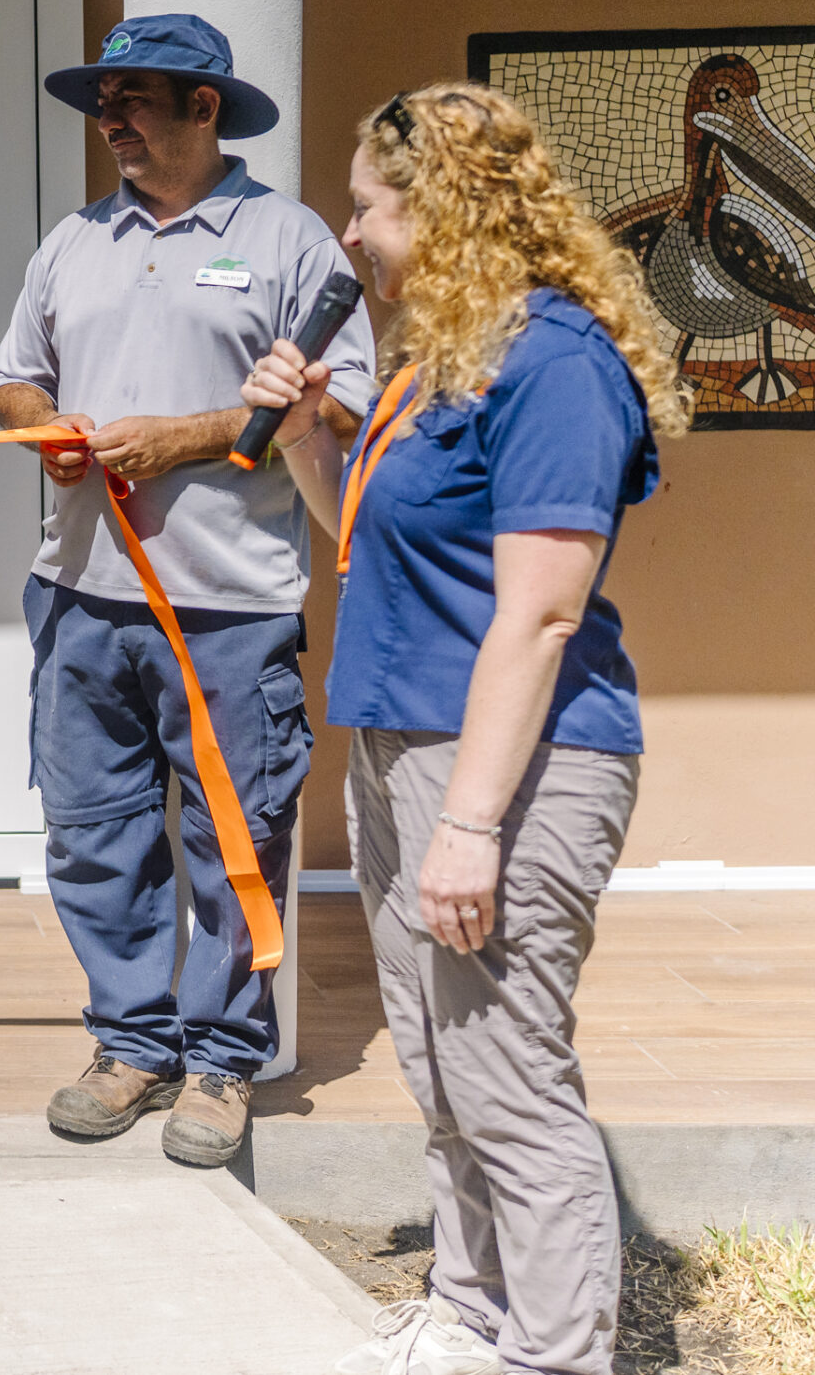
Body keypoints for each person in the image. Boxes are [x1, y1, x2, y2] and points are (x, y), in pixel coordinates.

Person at [244, 84, 685, 1375]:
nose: (349, 232)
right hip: (400, 744)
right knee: (442, 1066)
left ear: (440, 212)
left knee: (505, 1073)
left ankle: (555, 1351)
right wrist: (316, 436)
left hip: (515, 767)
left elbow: (541, 618)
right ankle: (473, 1309)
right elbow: (365, 546)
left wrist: (473, 827)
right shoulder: (442, 355)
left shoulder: (556, 361)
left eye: (370, 205)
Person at [0, 14, 376, 1166]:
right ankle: (129, 1044)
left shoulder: (290, 238)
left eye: (134, 98)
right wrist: (45, 432)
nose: (110, 119)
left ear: (205, 108)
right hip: (75, 591)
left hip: (230, 604)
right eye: (100, 102)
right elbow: (14, 378)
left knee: (232, 842)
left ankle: (219, 1062)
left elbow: (338, 404)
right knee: (94, 832)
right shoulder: (72, 241)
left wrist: (193, 437)